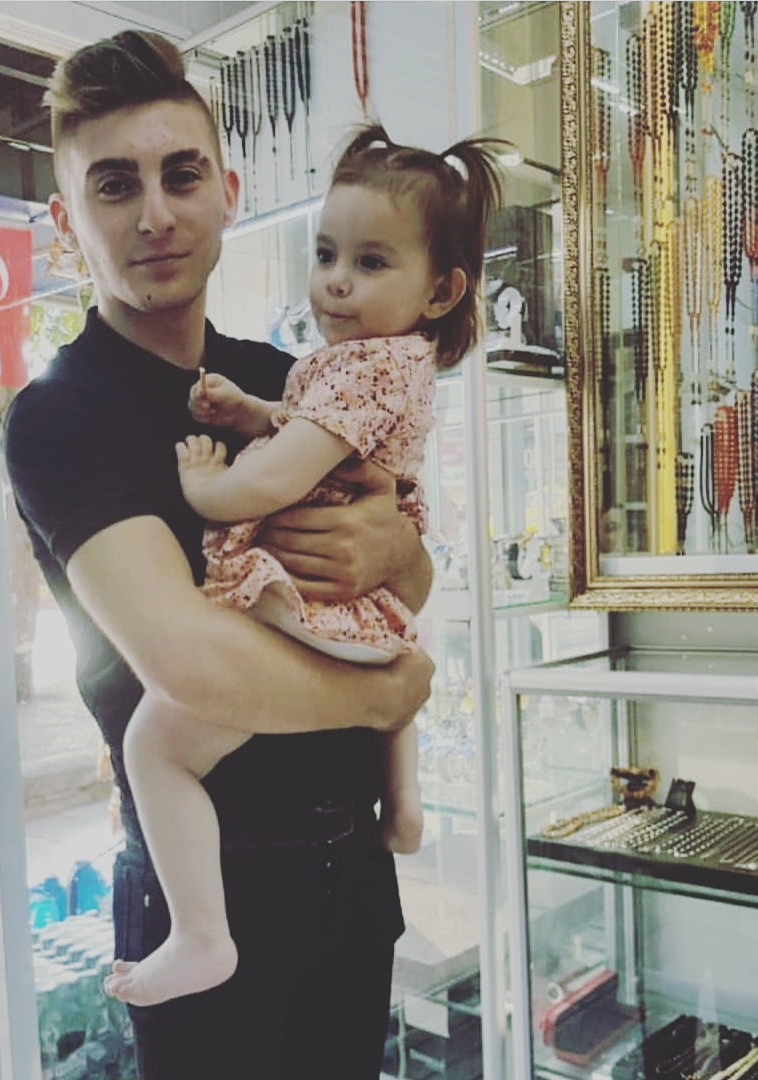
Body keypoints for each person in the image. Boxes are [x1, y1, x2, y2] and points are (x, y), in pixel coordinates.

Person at [4, 29, 435, 1080]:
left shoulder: (288, 379)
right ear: (66, 224)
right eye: (115, 185)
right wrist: (385, 695)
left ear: (228, 193)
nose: (156, 214)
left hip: (352, 875)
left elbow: (414, 576)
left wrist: (390, 544)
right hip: (207, 898)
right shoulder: (60, 417)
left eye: (181, 175)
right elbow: (191, 665)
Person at [103, 126, 505, 1009]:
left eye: (369, 262)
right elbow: (310, 435)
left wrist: (209, 487)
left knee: (154, 747)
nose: (336, 282)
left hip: (338, 856)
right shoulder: (359, 366)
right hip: (340, 704)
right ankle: (404, 798)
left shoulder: (352, 369)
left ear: (441, 290)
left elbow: (280, 479)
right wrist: (253, 412)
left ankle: (200, 933)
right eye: (326, 255)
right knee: (380, 658)